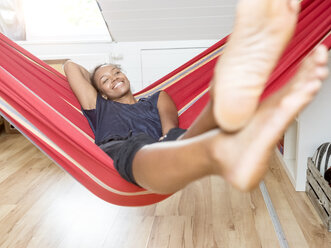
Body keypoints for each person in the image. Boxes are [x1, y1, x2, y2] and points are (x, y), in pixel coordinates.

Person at [64, 0, 329, 195]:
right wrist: (95, 82)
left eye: (116, 71)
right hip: (120, 149)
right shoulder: (99, 106)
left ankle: (218, 117)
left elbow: (171, 130)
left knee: (171, 145)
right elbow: (69, 66)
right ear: (100, 93)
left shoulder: (157, 97)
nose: (114, 78)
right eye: (105, 81)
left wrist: (168, 141)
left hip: (165, 146)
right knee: (145, 151)